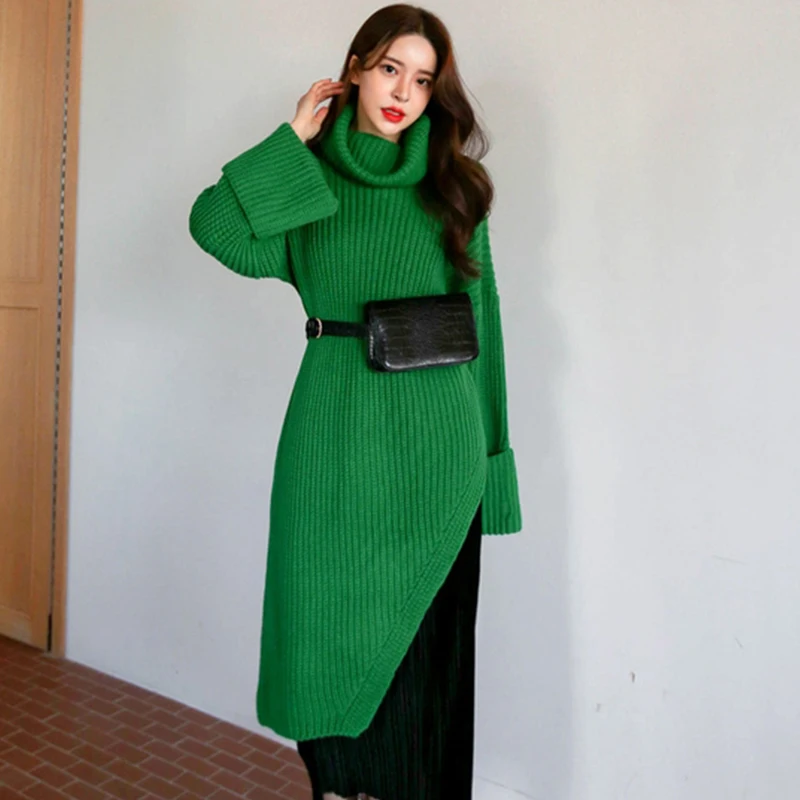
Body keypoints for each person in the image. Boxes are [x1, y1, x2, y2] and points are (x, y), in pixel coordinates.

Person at [188, 4, 523, 798]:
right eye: (389, 69)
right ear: (355, 69)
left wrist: (495, 468)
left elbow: (484, 329)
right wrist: (291, 139)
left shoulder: (455, 189)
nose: (403, 92)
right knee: (321, 630)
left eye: (422, 79)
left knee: (425, 675)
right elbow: (215, 227)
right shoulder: (308, 180)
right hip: (333, 437)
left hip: (439, 451)